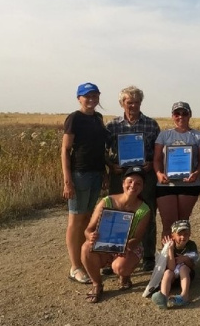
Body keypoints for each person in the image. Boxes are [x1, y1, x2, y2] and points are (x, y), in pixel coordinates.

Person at [105, 85, 161, 272]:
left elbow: (158, 151)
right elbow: (102, 150)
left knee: (147, 213)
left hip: (145, 176)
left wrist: (151, 162)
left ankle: (148, 257)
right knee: (116, 214)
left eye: (137, 102)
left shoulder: (151, 124)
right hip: (119, 176)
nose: (133, 106)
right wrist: (111, 165)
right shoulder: (112, 125)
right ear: (122, 104)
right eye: (129, 102)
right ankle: (111, 255)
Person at [81, 166, 152, 303]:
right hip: (104, 244)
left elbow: (137, 238)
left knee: (120, 267)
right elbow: (88, 229)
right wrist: (90, 236)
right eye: (130, 181)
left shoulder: (144, 209)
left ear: (142, 187)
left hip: (128, 247)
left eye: (138, 183)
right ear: (123, 182)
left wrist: (124, 246)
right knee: (85, 248)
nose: (133, 186)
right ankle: (97, 284)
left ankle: (125, 275)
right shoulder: (106, 201)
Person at [62, 82, 108, 285]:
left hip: (96, 173)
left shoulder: (98, 119)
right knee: (76, 220)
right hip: (79, 174)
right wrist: (67, 180)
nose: (91, 100)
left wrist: (105, 171)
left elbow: (99, 148)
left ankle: (84, 259)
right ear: (79, 98)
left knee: (88, 219)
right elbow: (65, 150)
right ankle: (75, 268)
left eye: (94, 96)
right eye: (87, 96)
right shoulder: (74, 118)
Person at [153, 102, 200, 238]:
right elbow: (157, 159)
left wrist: (196, 173)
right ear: (172, 116)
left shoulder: (198, 136)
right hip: (166, 184)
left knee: (182, 224)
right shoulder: (164, 135)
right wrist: (159, 173)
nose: (181, 117)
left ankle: (181, 257)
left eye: (184, 113)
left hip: (189, 184)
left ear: (190, 115)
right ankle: (167, 257)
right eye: (177, 114)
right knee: (168, 224)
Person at [151, 219, 199, 309]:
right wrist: (170, 249)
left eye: (186, 234)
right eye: (179, 234)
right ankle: (163, 297)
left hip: (186, 275)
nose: (183, 237)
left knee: (183, 268)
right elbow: (171, 267)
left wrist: (185, 259)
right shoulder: (170, 246)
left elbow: (192, 265)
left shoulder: (191, 245)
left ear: (189, 234)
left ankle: (184, 296)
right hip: (173, 278)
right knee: (167, 272)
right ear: (173, 236)